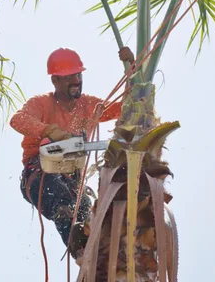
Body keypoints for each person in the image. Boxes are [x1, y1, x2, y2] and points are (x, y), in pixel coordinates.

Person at [9, 47, 134, 249]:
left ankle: (94, 258)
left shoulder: (89, 106)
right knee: (62, 202)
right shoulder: (42, 104)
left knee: (90, 211)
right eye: (69, 77)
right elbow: (17, 120)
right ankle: (79, 248)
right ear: (55, 81)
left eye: (78, 75)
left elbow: (126, 106)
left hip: (72, 180)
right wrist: (48, 130)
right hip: (40, 173)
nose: (76, 81)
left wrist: (132, 69)